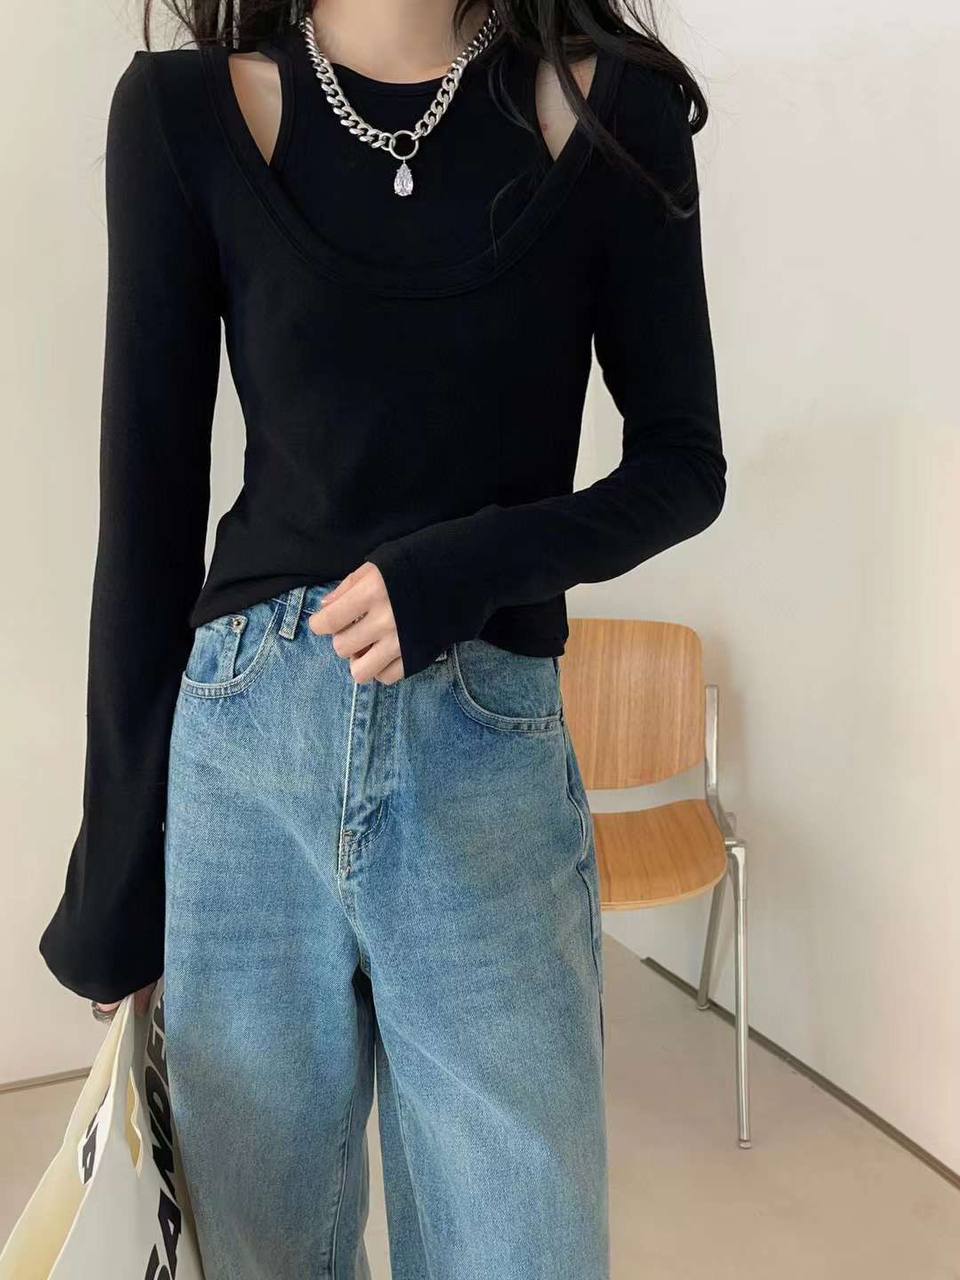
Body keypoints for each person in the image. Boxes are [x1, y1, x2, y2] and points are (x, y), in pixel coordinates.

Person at [38, 0, 726, 1274]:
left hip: (485, 761)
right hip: (244, 769)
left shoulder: (609, 107)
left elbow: (684, 465)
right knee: (263, 1254)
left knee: (525, 1246)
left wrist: (467, 565)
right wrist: (120, 886)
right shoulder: (184, 116)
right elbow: (145, 524)